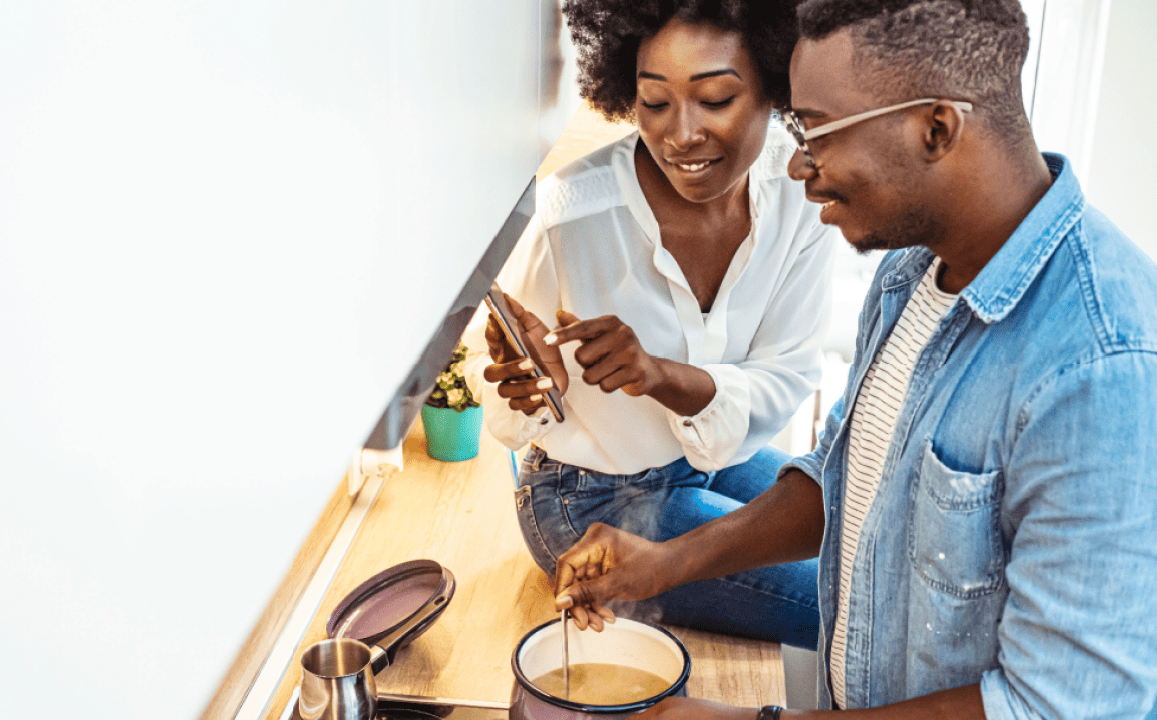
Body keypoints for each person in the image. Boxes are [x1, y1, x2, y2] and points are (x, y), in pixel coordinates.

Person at [551, 0, 1157, 717]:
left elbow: (1058, 706)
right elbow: (842, 478)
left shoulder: (1101, 366)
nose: (800, 167)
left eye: (816, 131)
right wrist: (666, 563)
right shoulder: (910, 273)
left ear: (936, 127)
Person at [462, 0, 838, 650]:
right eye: (655, 101)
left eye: (716, 97)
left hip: (713, 463)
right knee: (844, 600)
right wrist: (524, 387)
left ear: (775, 84)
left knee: (868, 534)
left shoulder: (800, 189)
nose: (680, 135)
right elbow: (505, 409)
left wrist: (660, 376)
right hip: (584, 499)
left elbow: (785, 378)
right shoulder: (571, 217)